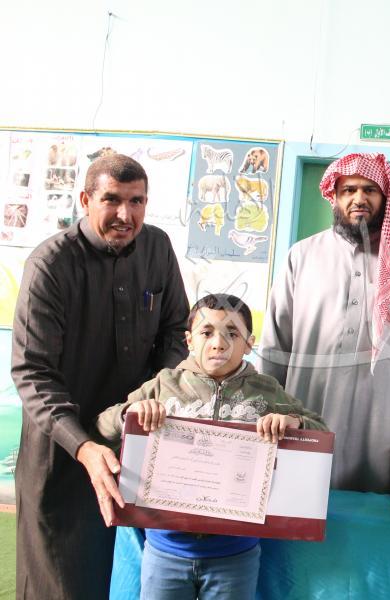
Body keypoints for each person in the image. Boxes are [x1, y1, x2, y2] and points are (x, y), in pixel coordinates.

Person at [11, 154, 190, 599]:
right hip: (63, 455)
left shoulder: (157, 248)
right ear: (85, 200)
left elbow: (175, 331)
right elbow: (33, 372)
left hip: (135, 447)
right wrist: (84, 446)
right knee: (62, 584)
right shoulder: (50, 265)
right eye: (112, 200)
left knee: (126, 580)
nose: (125, 215)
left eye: (137, 201)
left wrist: (152, 395)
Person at [260, 153, 390, 493]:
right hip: (304, 412)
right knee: (297, 498)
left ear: (385, 198)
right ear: (334, 196)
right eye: (349, 190)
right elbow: (275, 344)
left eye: (370, 190)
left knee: (375, 507)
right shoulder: (301, 256)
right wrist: (264, 410)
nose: (359, 199)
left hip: (379, 421)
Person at [95, 294, 327, 600]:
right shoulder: (164, 385)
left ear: (249, 343)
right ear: (189, 340)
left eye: (232, 333)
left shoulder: (267, 391)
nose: (219, 343)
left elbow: (320, 431)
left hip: (236, 555)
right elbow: (103, 426)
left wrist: (293, 421)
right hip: (165, 551)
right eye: (207, 332)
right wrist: (131, 413)